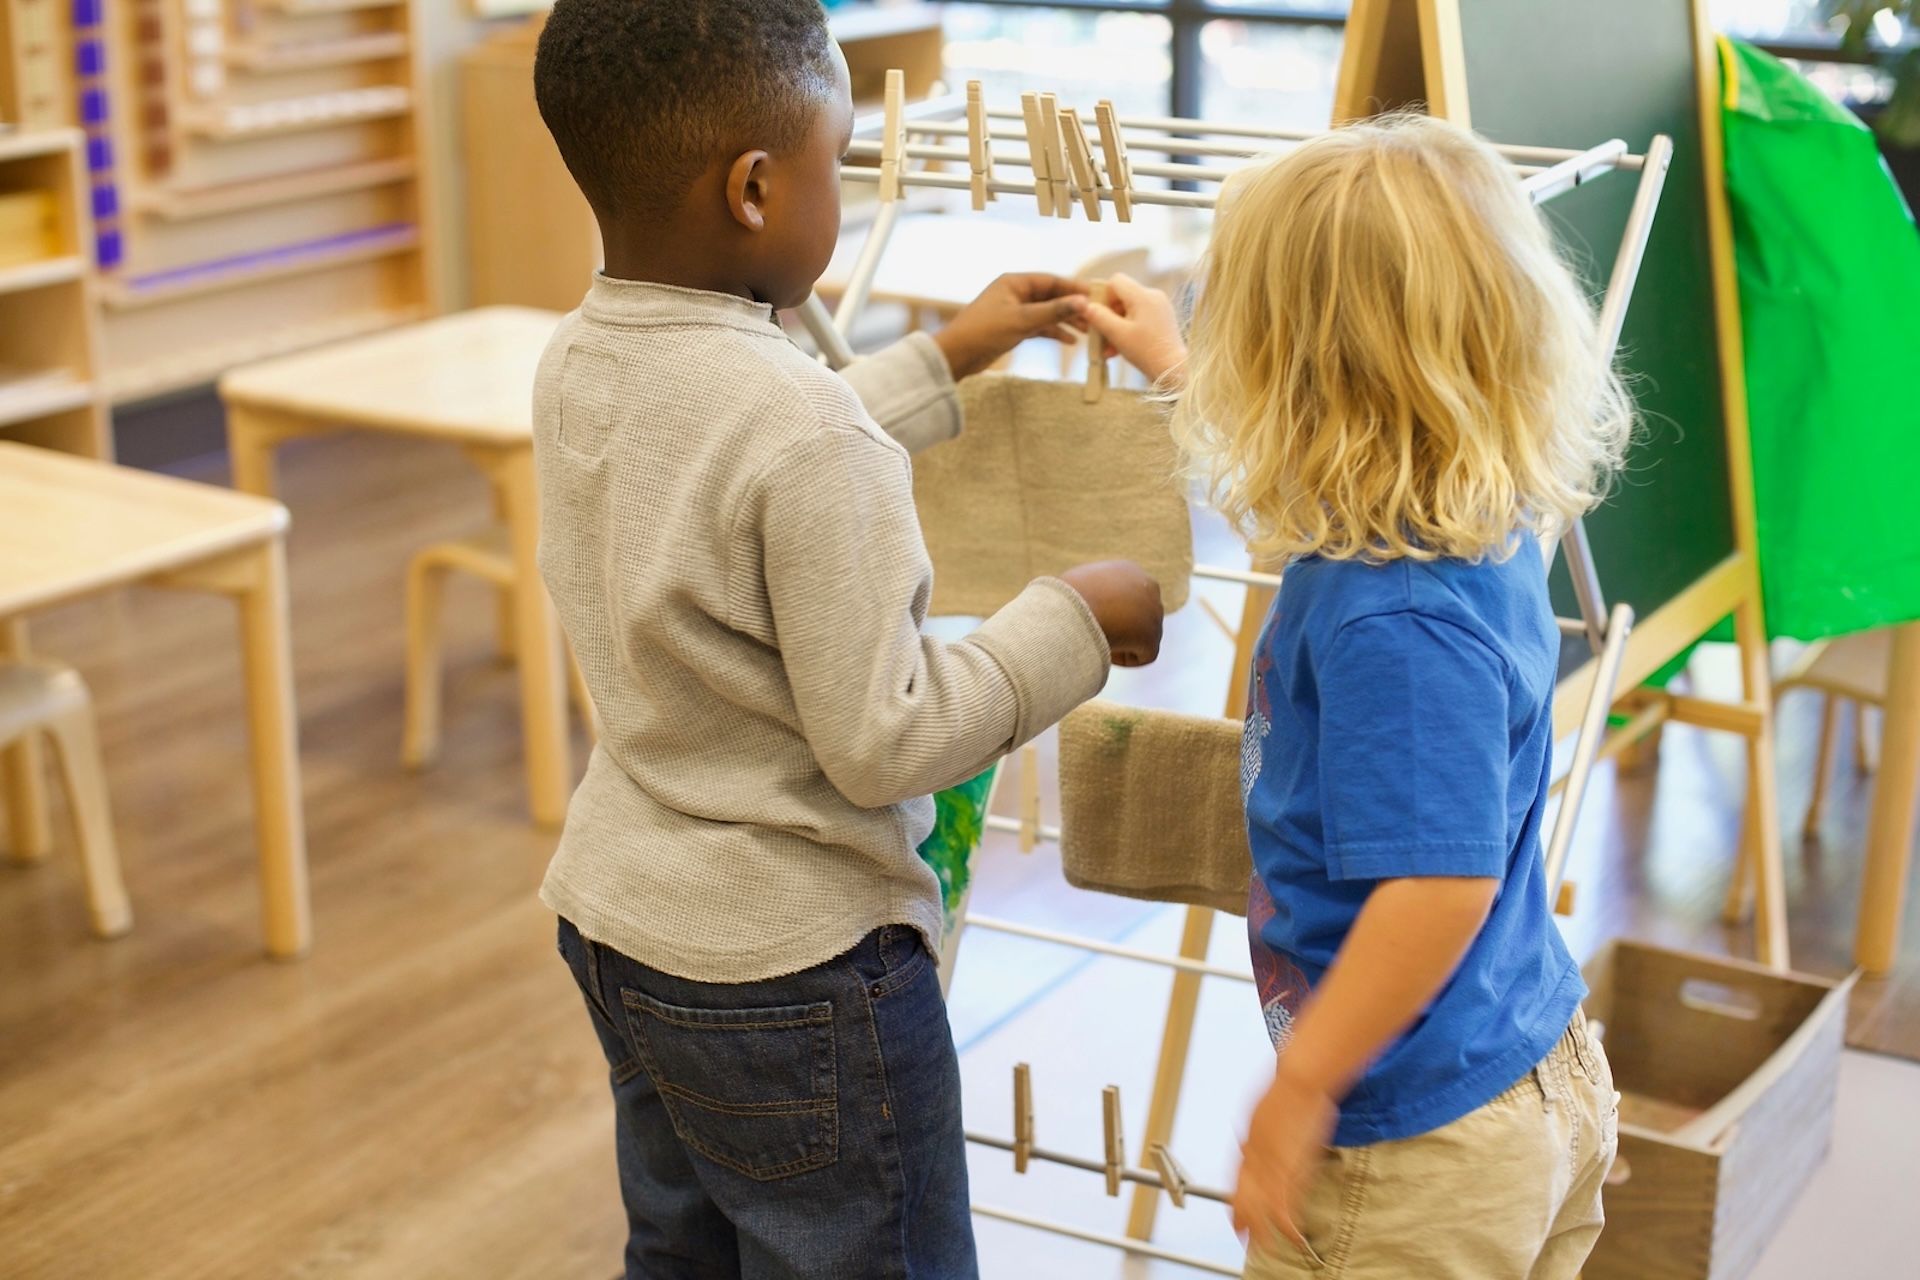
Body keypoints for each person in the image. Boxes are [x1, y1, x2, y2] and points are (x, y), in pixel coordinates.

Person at [529, 0, 1166, 1274]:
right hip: (798, 978)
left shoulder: (579, 356)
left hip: (624, 928)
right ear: (759, 189)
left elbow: (730, 466)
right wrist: (1073, 624)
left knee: (683, 1250)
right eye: (839, 160)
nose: (844, 189)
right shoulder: (801, 430)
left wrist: (947, 355)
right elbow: (890, 738)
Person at [1088, 114, 1631, 1279]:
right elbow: (1313, 518)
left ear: (1302, 381)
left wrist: (1301, 1086)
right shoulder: (1458, 521)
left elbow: (1438, 885)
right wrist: (1171, 368)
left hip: (1420, 1140)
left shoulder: (1395, 620)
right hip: (1520, 1062)